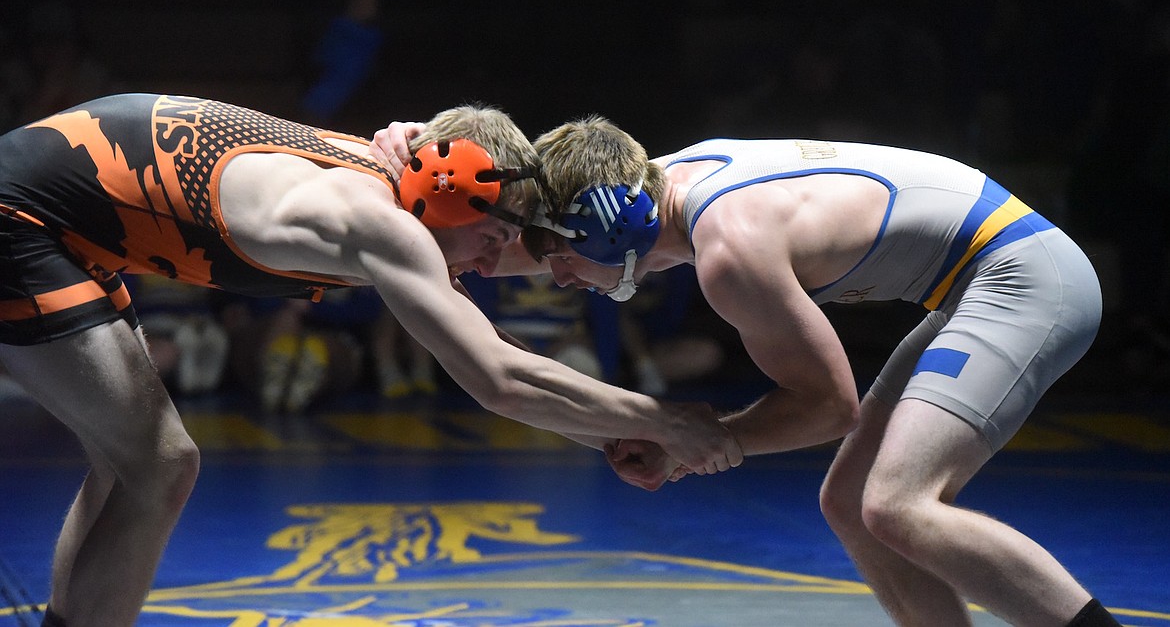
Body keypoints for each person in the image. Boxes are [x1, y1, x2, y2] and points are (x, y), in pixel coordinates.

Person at [0, 94, 741, 627]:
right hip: (23, 214)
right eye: (495, 238)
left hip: (61, 214)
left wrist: (611, 434)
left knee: (129, 463)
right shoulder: (378, 223)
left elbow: (492, 352)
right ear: (453, 188)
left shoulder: (395, 188)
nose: (494, 263)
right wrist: (668, 421)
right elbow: (498, 379)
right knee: (160, 464)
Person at [372, 116, 1117, 627]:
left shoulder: (730, 251)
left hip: (1023, 278)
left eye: (564, 258)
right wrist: (416, 154)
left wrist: (699, 443)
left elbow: (830, 409)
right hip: (977, 280)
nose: (555, 277)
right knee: (853, 503)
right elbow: (498, 241)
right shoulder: (639, 189)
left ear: (612, 232)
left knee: (896, 504)